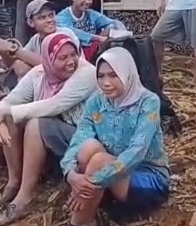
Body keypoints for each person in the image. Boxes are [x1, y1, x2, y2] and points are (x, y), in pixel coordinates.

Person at [0, 31, 98, 226]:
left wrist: (2, 113)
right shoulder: (39, 73)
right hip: (60, 135)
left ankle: (22, 199)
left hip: (87, 140)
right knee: (12, 118)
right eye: (63, 57)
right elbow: (10, 100)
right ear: (48, 58)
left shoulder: (87, 73)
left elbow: (54, 105)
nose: (71, 61)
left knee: (34, 123)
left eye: (73, 55)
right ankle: (13, 184)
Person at [60, 47, 170, 226]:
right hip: (109, 175)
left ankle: (80, 222)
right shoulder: (95, 102)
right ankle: (91, 208)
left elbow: (137, 151)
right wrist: (70, 174)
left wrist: (90, 183)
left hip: (145, 176)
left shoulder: (148, 102)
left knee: (99, 161)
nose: (106, 82)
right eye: (101, 76)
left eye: (113, 75)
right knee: (88, 147)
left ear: (127, 73)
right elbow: (80, 138)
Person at [0, 0, 77, 80]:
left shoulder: (63, 34)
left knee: (24, 69)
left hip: (71, 80)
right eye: (42, 17)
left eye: (51, 15)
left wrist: (13, 48)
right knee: (20, 66)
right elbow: (12, 64)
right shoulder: (36, 39)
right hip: (53, 81)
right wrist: (3, 52)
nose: (49, 20)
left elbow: (51, 65)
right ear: (30, 23)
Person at [57, 0, 127, 62]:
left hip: (93, 49)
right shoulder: (63, 16)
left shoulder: (91, 13)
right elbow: (71, 32)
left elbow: (113, 22)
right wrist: (97, 38)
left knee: (113, 26)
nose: (87, 1)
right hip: (75, 52)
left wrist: (125, 34)